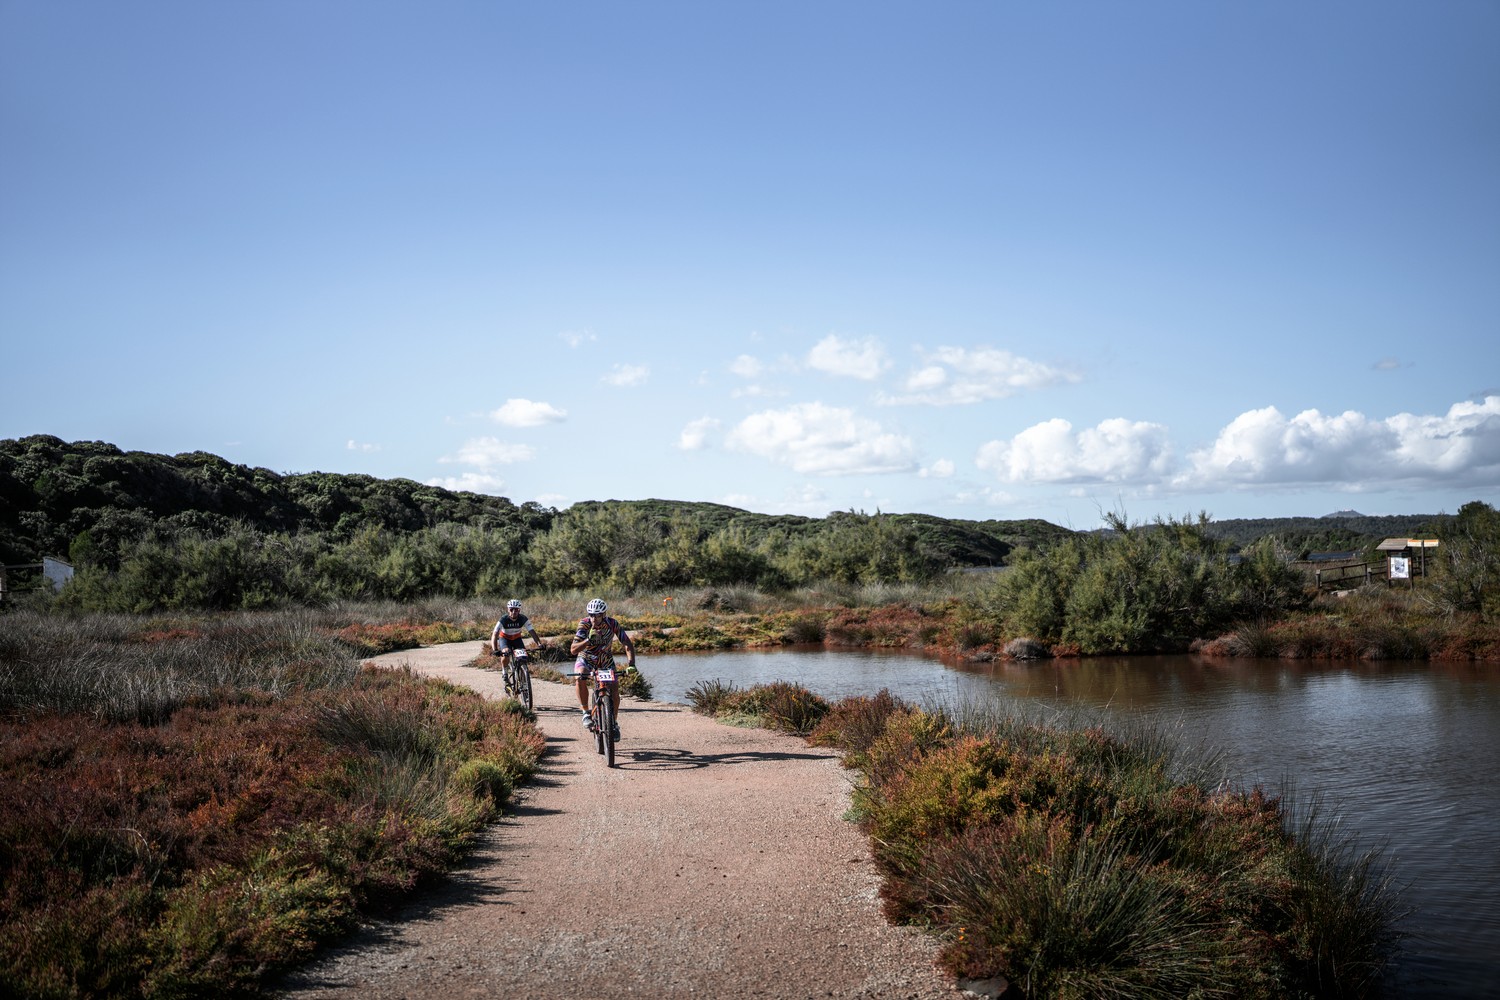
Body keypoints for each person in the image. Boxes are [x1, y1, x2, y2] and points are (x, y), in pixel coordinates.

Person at [569, 597, 636, 741]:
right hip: (586, 658)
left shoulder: (612, 623)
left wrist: (631, 664)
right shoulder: (584, 624)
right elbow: (573, 650)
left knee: (614, 689)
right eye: (591, 615)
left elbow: (627, 644)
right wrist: (587, 640)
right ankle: (586, 712)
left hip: (605, 660)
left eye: (597, 615)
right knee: (580, 676)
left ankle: (614, 723)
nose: (593, 618)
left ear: (603, 614)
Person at [491, 599, 545, 692]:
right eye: (511, 609)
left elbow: (532, 631)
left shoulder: (523, 618)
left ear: (519, 610)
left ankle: (523, 678)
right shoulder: (503, 619)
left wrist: (539, 644)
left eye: (516, 610)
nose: (514, 612)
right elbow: (495, 634)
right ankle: (504, 671)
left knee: (523, 658)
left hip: (516, 639)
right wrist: (495, 649)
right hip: (505, 639)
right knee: (506, 653)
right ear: (508, 610)